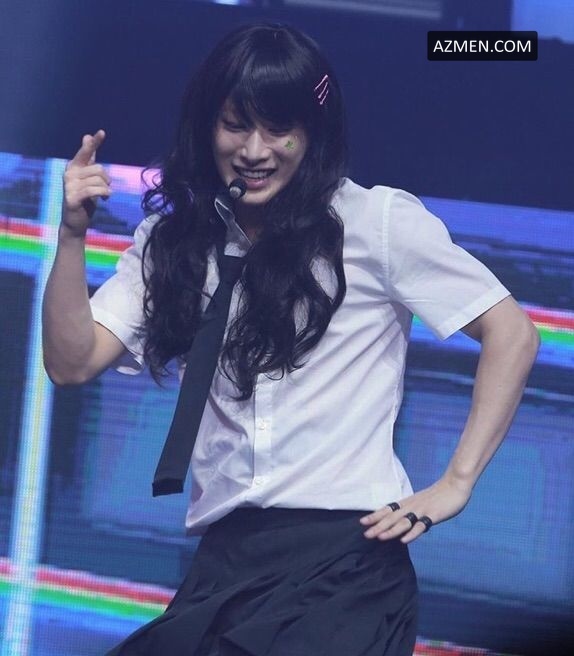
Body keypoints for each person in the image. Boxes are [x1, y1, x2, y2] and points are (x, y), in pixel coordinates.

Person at [42, 22, 539, 656]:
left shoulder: (376, 222)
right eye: (235, 125)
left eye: (279, 129)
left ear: (313, 131)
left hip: (347, 561)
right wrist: (72, 236)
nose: (255, 150)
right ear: (206, 127)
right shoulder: (176, 242)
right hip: (227, 559)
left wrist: (456, 483)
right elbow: (72, 361)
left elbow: (511, 332)